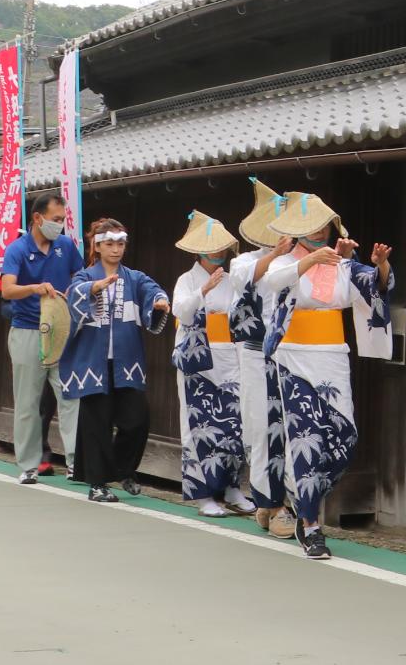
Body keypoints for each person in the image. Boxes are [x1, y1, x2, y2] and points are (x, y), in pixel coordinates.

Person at [259, 191, 394, 560]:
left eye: (322, 224)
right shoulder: (284, 262)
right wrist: (309, 262)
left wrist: (380, 266)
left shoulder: (342, 264)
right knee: (307, 438)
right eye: (311, 226)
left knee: (343, 437)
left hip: (333, 357)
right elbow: (274, 283)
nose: (318, 231)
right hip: (294, 358)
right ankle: (311, 523)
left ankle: (301, 491)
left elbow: (372, 287)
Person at [61, 218, 171, 504]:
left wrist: (159, 301)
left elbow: (153, 290)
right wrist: (95, 288)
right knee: (96, 424)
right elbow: (73, 297)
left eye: (120, 243)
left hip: (126, 362)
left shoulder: (134, 278)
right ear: (97, 246)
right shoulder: (84, 277)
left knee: (137, 419)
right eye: (109, 243)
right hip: (92, 363)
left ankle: (124, 470)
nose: (116, 249)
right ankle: (97, 483)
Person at [168, 210, 258, 519]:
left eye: (221, 247)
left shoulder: (232, 281)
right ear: (198, 251)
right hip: (199, 362)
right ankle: (204, 495)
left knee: (235, 425)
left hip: (230, 359)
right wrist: (202, 291)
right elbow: (180, 310)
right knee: (199, 429)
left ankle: (232, 487)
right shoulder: (187, 280)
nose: (218, 253)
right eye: (212, 247)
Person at [0, 192, 84, 484]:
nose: (60, 225)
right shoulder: (17, 249)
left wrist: (76, 296)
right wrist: (34, 288)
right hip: (26, 330)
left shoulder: (66, 246)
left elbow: (80, 278)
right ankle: (28, 465)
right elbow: (7, 290)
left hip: (61, 331)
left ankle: (77, 463)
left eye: (62, 220)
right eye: (56, 219)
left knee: (71, 397)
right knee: (27, 401)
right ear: (37, 218)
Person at [231, 180, 296, 537]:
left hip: (291, 353)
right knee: (263, 427)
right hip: (256, 354)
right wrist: (274, 255)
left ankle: (277, 501)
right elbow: (244, 283)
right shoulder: (245, 260)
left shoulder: (297, 261)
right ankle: (270, 502)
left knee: (289, 427)